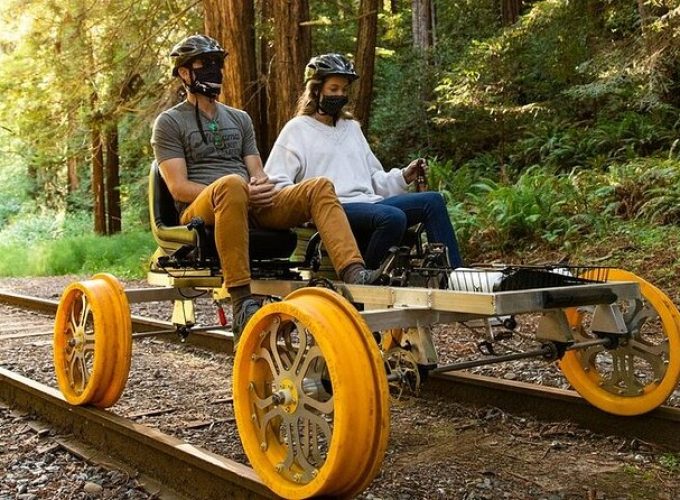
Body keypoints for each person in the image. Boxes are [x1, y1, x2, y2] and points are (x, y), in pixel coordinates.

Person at [151, 36, 381, 349]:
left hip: (247, 199)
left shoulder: (239, 119)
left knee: (319, 186)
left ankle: (355, 273)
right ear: (184, 74)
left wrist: (259, 186)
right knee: (231, 184)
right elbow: (178, 186)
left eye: (218, 64)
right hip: (199, 209)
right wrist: (239, 189)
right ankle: (242, 301)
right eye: (204, 65)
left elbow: (258, 172)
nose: (214, 71)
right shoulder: (169, 122)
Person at [264, 53, 464, 271]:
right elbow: (277, 184)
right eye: (334, 89)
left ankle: (454, 276)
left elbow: (373, 178)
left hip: (371, 203)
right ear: (316, 89)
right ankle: (367, 277)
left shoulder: (352, 128)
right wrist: (303, 211)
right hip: (334, 208)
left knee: (433, 201)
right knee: (392, 217)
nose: (340, 95)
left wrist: (403, 175)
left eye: (344, 89)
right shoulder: (297, 129)